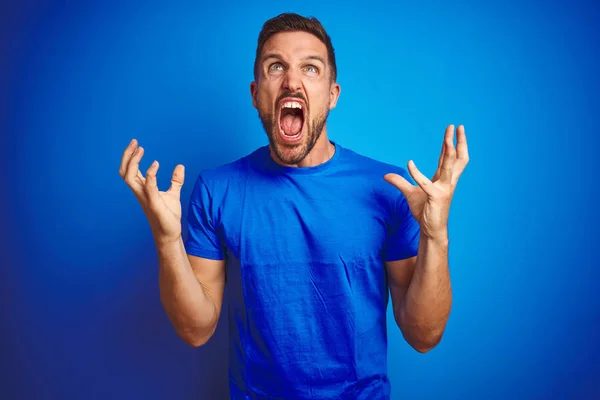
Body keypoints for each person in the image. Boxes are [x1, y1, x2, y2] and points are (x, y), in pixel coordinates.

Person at [119, 12, 469, 400]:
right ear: (255, 94)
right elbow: (196, 329)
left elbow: (424, 335)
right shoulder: (216, 190)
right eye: (276, 67)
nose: (291, 80)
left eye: (310, 68)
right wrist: (167, 240)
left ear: (332, 94)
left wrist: (436, 235)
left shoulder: (389, 191)